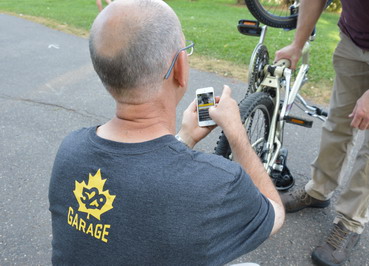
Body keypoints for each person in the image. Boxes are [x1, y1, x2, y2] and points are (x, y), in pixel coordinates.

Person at [48, 0, 285, 265]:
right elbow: (274, 212)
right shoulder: (216, 183)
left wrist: (185, 138)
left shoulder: (70, 150)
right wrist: (236, 131)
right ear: (180, 68)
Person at [275, 0, 369, 265]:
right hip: (351, 40)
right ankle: (318, 190)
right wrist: (297, 44)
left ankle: (350, 221)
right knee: (337, 122)